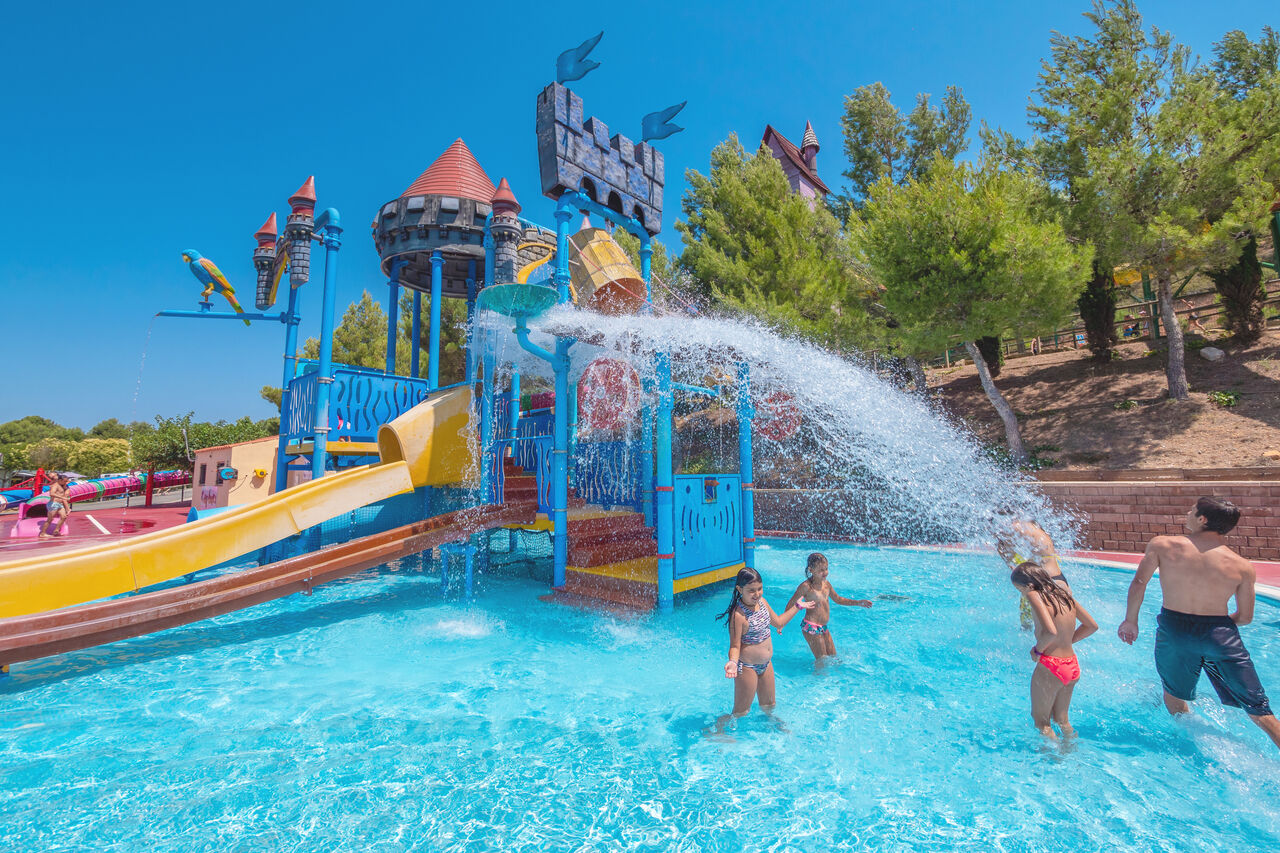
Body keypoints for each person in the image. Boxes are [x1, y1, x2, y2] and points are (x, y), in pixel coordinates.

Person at [1118, 497, 1280, 750]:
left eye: (1192, 510)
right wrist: (1217, 630)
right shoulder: (1242, 566)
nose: (1187, 512)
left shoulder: (1163, 545)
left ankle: (1199, 743)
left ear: (1202, 519)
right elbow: (1245, 617)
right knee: (1259, 709)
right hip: (1220, 634)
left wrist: (1131, 621)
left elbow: (1139, 583)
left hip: (1175, 629)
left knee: (1175, 697)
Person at [1011, 561, 1098, 739]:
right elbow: (1091, 626)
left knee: (1041, 723)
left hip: (1052, 666)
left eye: (1020, 591)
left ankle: (1053, 763)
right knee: (1062, 720)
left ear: (1029, 585)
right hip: (1072, 666)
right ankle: (1069, 754)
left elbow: (1051, 632)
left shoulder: (1034, 594)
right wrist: (1067, 641)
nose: (1023, 595)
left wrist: (1037, 650)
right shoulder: (1064, 594)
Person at [717, 566, 813, 716]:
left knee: (769, 705)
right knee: (741, 712)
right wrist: (733, 662)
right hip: (747, 667)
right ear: (739, 589)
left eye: (759, 589)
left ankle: (770, 731)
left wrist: (797, 607)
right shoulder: (738, 615)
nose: (757, 594)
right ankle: (720, 732)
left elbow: (779, 622)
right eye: (751, 590)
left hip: (766, 664)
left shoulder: (763, 603)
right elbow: (735, 646)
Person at [784, 553, 872, 661]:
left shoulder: (826, 584)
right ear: (811, 570)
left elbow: (838, 599)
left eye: (826, 568)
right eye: (821, 570)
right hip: (811, 627)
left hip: (823, 627)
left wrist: (858, 602)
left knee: (834, 659)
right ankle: (817, 677)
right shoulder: (806, 587)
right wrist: (782, 623)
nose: (825, 572)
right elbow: (791, 603)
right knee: (822, 660)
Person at [994, 509, 1070, 630]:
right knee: (1063, 628)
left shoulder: (1015, 526)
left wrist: (1011, 563)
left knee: (1028, 626)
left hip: (1041, 583)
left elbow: (1001, 543)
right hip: (1058, 578)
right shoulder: (1036, 528)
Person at [38, 473, 71, 539]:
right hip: (53, 504)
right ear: (60, 480)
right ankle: (42, 533)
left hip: (60, 504)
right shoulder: (55, 485)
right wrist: (62, 497)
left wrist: (67, 508)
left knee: (64, 517)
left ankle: (56, 530)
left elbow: (66, 493)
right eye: (64, 481)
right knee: (50, 519)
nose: (66, 482)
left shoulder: (62, 486)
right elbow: (52, 494)